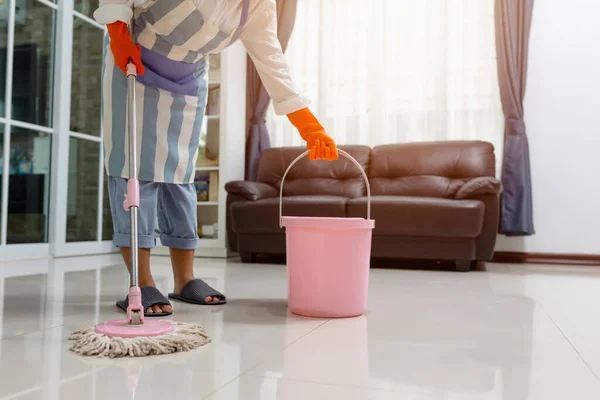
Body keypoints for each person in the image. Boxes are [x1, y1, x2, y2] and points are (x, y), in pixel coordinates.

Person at [93, 0, 338, 315]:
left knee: (181, 177)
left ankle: (185, 280)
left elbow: (271, 60)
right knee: (133, 172)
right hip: (132, 60)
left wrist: (310, 127)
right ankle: (141, 283)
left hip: (187, 83)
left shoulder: (260, 8)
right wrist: (117, 34)